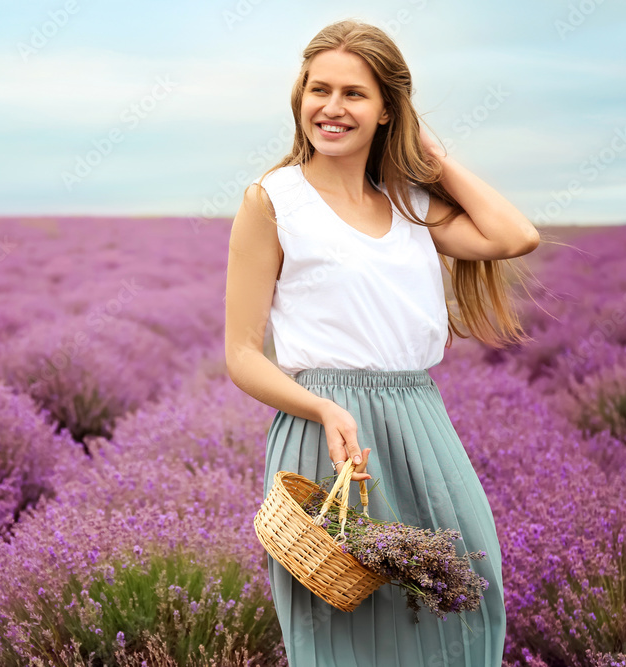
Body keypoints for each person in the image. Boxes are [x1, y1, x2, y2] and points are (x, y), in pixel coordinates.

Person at [224, 19, 540, 667]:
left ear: (388, 111)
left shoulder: (407, 202)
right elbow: (242, 353)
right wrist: (324, 410)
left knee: (468, 599)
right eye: (319, 89)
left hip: (419, 420)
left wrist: (432, 157)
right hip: (326, 433)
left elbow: (514, 235)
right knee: (347, 626)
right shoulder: (273, 200)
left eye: (354, 94)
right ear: (299, 95)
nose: (332, 108)